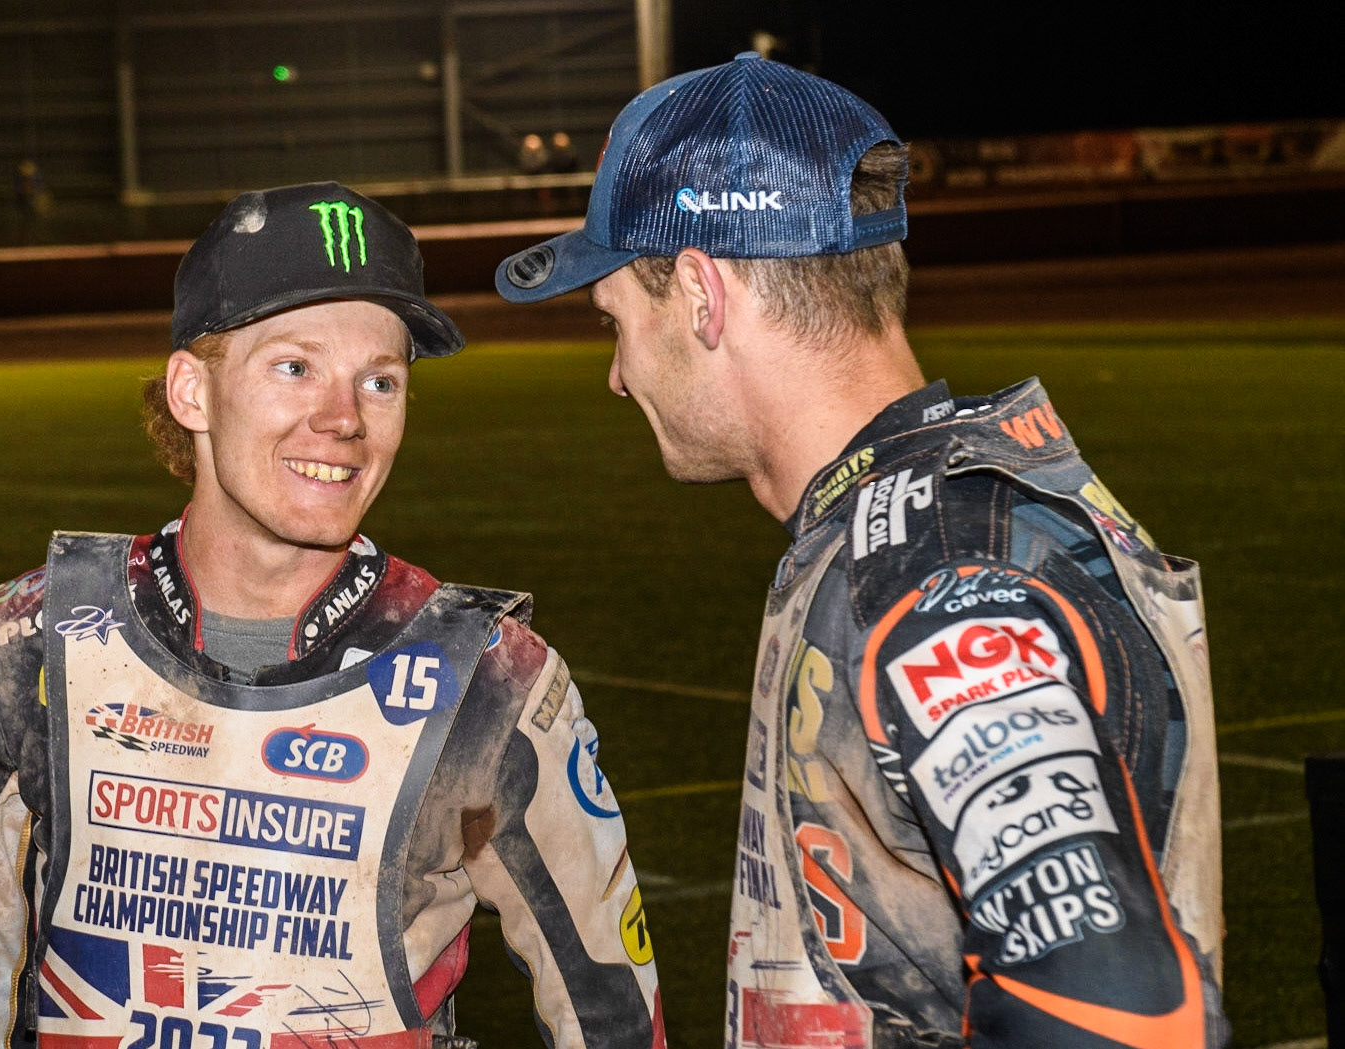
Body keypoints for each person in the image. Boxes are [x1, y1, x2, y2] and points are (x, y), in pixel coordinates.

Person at [495, 54, 1226, 1049]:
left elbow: (1117, 1007)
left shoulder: (940, 580)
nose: (618, 376)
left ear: (703, 296)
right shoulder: (900, 527)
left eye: (615, 320)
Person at [0, 182, 666, 1049]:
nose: (343, 418)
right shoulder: (27, 640)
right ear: (191, 393)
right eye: (294, 366)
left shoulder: (490, 680)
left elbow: (612, 1016)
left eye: (380, 380)